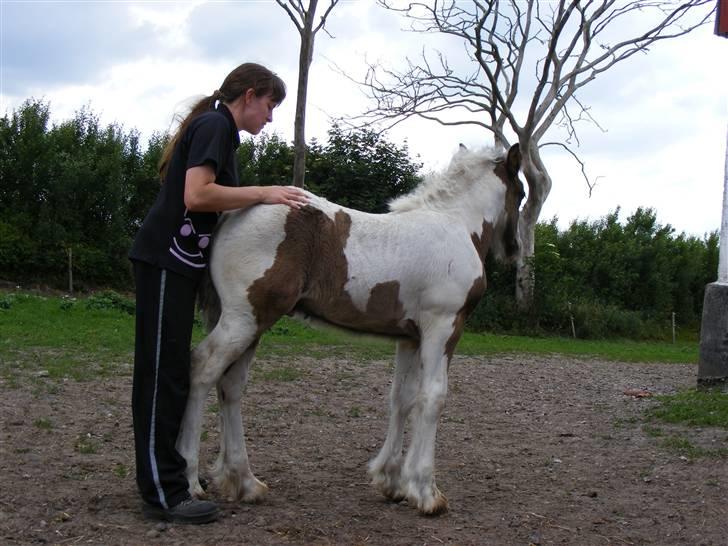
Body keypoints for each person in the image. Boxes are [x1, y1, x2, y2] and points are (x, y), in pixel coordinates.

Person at [128, 63, 308, 524]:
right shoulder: (215, 125)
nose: (270, 117)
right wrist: (264, 193)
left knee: (169, 369)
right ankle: (165, 493)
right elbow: (198, 195)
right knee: (162, 372)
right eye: (270, 104)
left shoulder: (220, 130)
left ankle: (166, 476)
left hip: (178, 263)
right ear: (249, 95)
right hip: (166, 258)